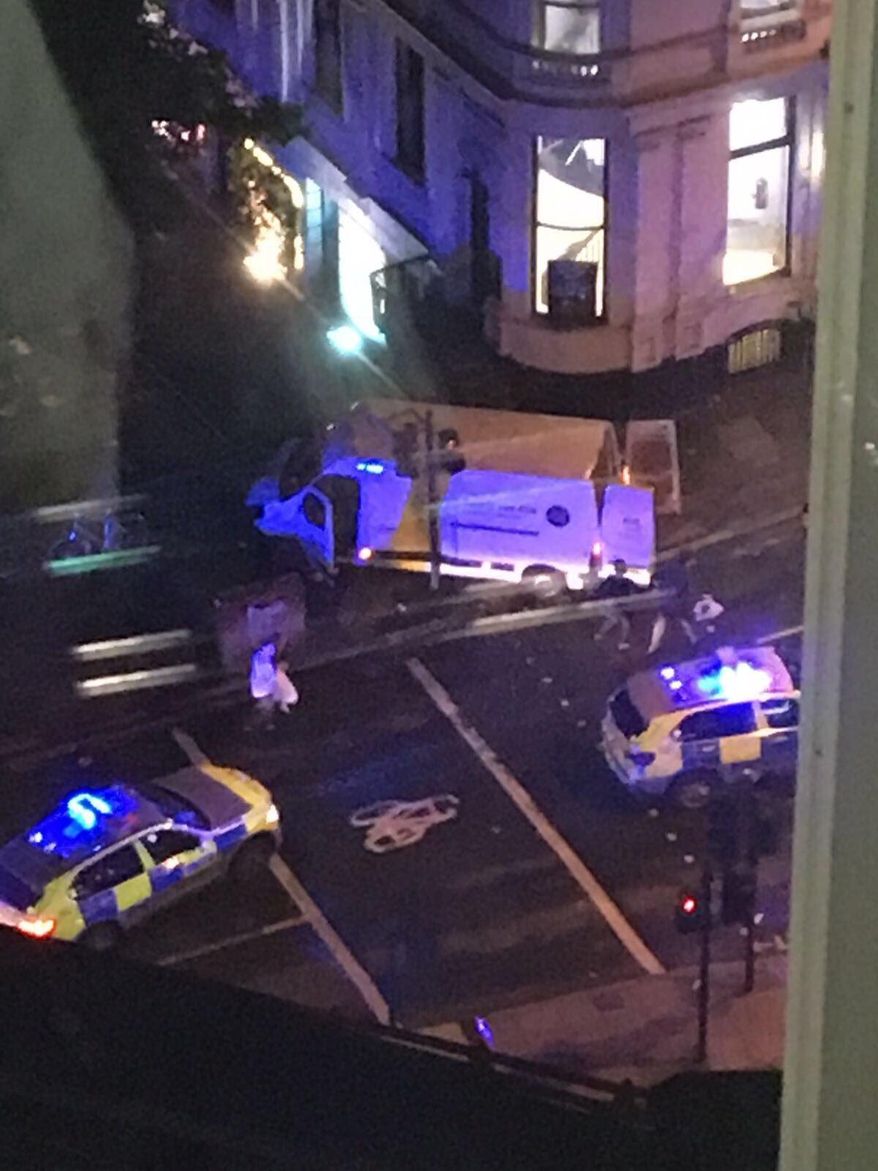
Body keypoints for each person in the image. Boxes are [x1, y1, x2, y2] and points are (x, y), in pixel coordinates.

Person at [647, 556, 697, 655]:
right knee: (683, 621)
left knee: (661, 621)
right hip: (675, 602)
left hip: (666, 600)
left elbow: (655, 578)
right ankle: (694, 640)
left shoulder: (668, 568)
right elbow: (683, 588)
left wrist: (658, 587)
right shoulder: (682, 572)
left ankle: (653, 646)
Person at [593, 559, 643, 651]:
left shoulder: (625, 582)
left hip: (613, 606)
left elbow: (637, 591)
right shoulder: (613, 581)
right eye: (622, 567)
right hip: (609, 606)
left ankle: (599, 634)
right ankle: (622, 642)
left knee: (615, 620)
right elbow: (600, 592)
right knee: (624, 622)